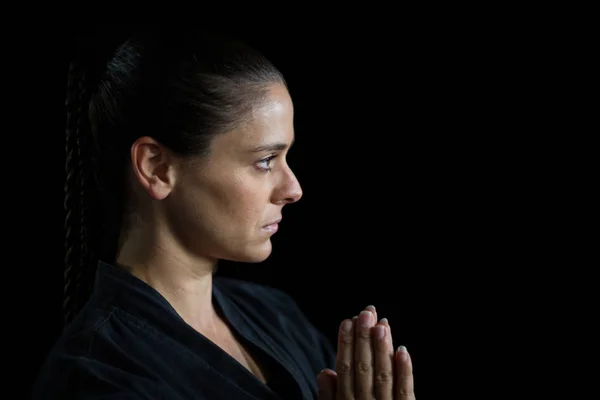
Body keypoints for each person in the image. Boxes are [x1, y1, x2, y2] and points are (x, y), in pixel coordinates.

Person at [33, 26, 415, 399]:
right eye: (266, 161)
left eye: (286, 157)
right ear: (157, 167)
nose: (294, 189)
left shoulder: (276, 314)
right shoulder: (97, 376)